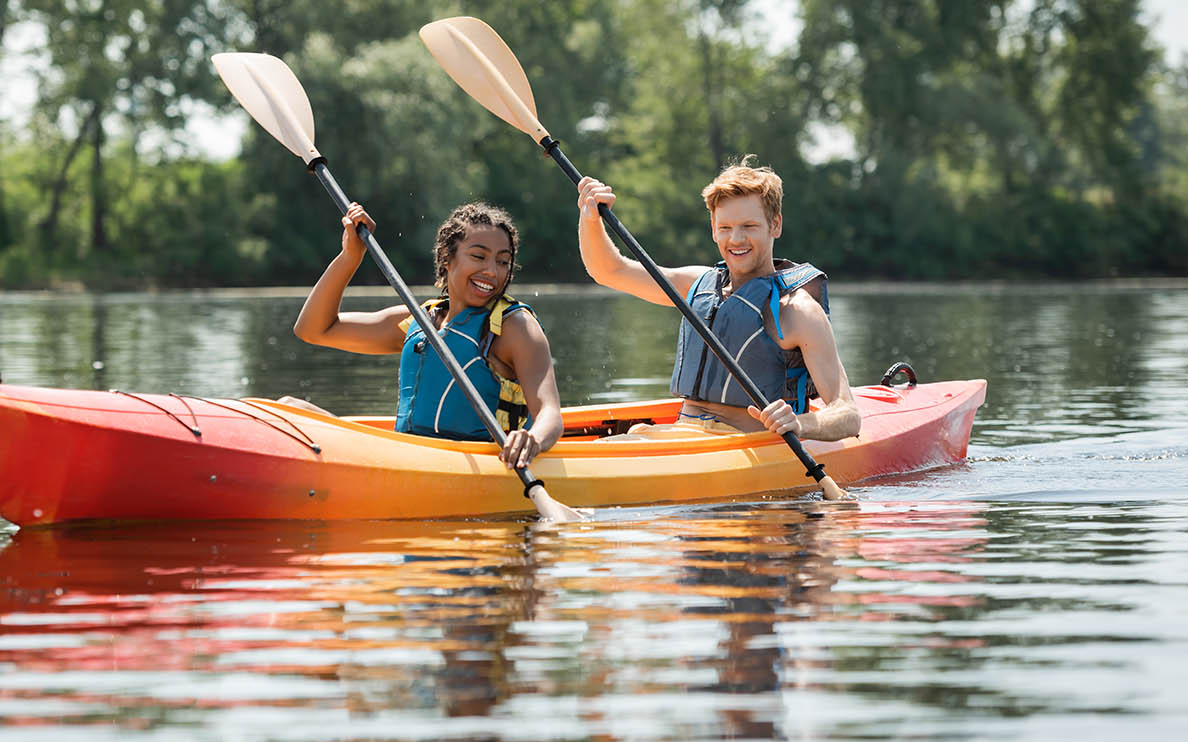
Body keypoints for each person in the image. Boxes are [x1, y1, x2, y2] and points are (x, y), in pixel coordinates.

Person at [283, 200, 587, 522]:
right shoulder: (419, 319)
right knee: (291, 408)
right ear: (447, 258)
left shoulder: (514, 328)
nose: (492, 272)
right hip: (407, 455)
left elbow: (551, 415)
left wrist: (531, 439)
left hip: (475, 463)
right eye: (479, 256)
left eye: (503, 261)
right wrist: (350, 258)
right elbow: (314, 329)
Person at [575, 158, 858, 500]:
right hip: (681, 438)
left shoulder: (797, 312)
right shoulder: (697, 284)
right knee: (636, 435)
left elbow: (847, 414)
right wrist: (591, 218)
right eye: (725, 228)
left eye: (749, 226)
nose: (736, 239)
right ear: (713, 228)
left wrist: (802, 423)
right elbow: (610, 271)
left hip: (743, 450)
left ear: (776, 224)